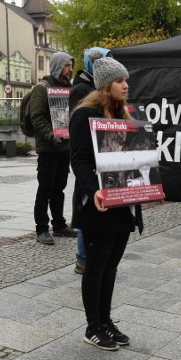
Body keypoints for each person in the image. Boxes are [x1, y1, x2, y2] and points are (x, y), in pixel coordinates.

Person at [69, 57, 143, 351]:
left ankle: (105, 320)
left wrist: (146, 187)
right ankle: (93, 327)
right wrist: (94, 190)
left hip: (122, 202)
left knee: (111, 265)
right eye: (119, 81)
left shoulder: (122, 114)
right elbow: (79, 160)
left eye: (126, 80)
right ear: (104, 85)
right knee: (96, 266)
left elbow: (133, 158)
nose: (126, 86)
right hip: (97, 203)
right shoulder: (84, 114)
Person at [68, 47, 110, 274]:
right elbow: (79, 153)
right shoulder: (82, 92)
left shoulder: (114, 106)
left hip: (106, 171)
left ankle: (91, 258)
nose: (125, 85)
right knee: (88, 213)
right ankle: (83, 258)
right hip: (91, 173)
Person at [30, 51, 78, 245]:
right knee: (45, 189)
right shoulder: (42, 88)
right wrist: (51, 135)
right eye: (67, 65)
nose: (70, 69)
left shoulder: (69, 88)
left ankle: (59, 225)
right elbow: (37, 116)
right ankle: (41, 228)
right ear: (58, 66)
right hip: (48, 147)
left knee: (59, 188)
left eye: (71, 65)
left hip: (64, 146)